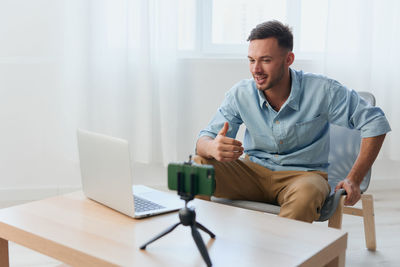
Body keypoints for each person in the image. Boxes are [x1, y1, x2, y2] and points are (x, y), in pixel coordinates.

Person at [194, 20, 391, 223]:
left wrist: (354, 179)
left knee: (307, 194)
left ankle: (279, 252)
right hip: (252, 173)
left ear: (289, 59)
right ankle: (200, 242)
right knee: (198, 166)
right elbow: (203, 141)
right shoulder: (240, 94)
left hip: (303, 177)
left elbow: (375, 121)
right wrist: (212, 147)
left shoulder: (322, 90)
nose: (256, 69)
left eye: (266, 60)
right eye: (252, 60)